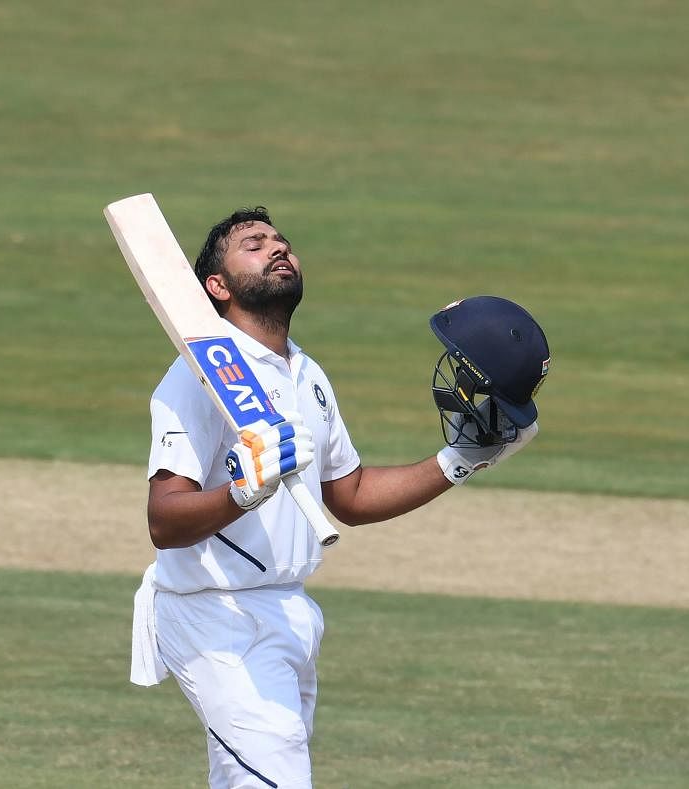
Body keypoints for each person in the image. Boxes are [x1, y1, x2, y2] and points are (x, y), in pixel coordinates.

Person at [129, 206, 549, 789]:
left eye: (282, 241)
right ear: (216, 287)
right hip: (215, 615)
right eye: (254, 244)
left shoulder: (306, 373)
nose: (278, 249)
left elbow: (349, 495)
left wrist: (457, 462)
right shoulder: (197, 376)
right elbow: (164, 521)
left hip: (289, 610)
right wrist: (242, 494)